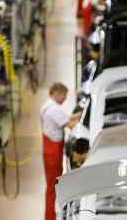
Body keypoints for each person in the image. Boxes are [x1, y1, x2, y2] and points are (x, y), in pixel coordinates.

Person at [40, 83, 81, 220]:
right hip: (53, 152)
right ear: (56, 93)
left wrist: (81, 114)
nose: (65, 99)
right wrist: (84, 122)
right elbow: (70, 125)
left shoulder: (47, 106)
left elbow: (67, 119)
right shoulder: (54, 110)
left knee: (52, 185)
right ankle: (50, 217)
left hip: (49, 149)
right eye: (64, 95)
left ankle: (50, 215)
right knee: (53, 187)